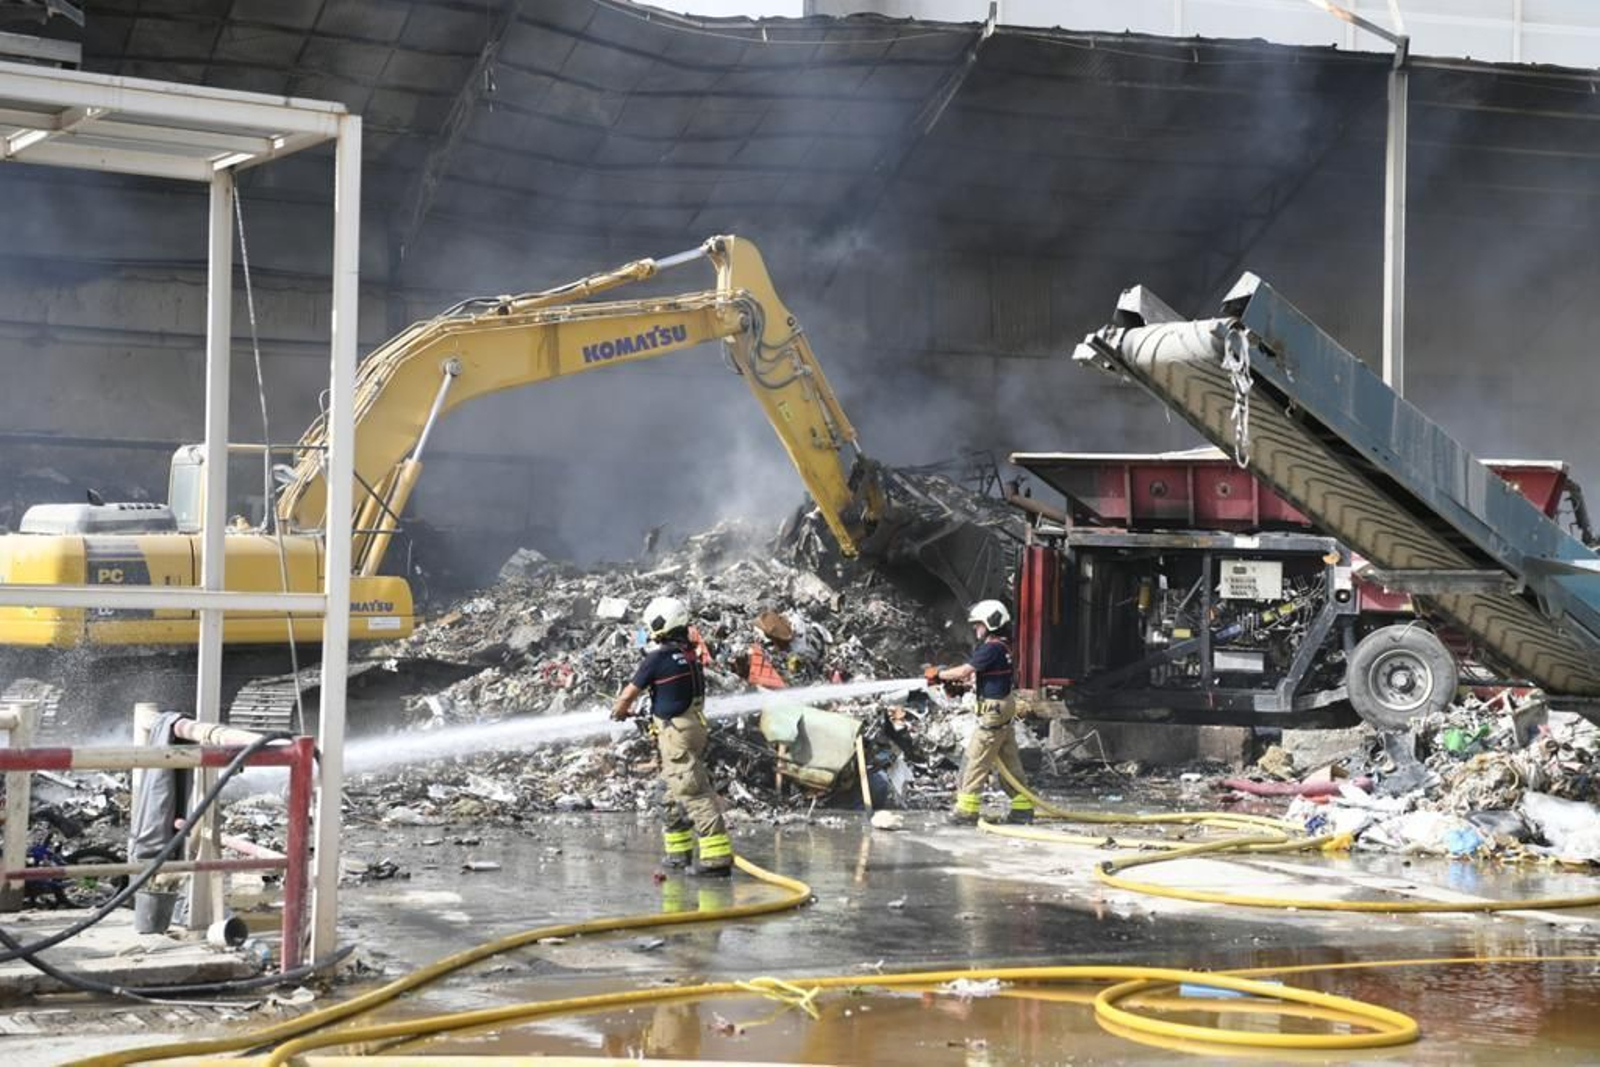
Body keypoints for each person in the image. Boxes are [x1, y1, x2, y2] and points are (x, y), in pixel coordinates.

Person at [612, 596, 734, 875]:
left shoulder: (657, 658)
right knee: (667, 793)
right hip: (692, 727)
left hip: (676, 733)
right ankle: (678, 853)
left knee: (693, 792)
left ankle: (716, 860)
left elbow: (628, 695)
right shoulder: (690, 656)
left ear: (660, 625)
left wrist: (619, 711)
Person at [927, 599, 1034, 826]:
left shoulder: (991, 647)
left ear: (991, 622)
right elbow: (984, 676)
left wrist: (938, 675)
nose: (976, 629)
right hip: (1004, 707)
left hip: (993, 712)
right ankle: (1023, 808)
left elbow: (965, 671)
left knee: (975, 760)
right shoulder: (1002, 647)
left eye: (979, 624)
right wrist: (964, 685)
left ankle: (966, 812)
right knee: (1009, 762)